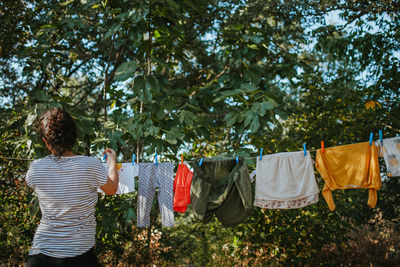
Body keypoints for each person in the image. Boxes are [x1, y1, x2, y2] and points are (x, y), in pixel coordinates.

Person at [25, 108, 119, 267]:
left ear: (46, 141)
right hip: (79, 255)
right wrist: (112, 164)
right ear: (74, 137)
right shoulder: (90, 165)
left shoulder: (35, 169)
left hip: (41, 256)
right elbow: (112, 189)